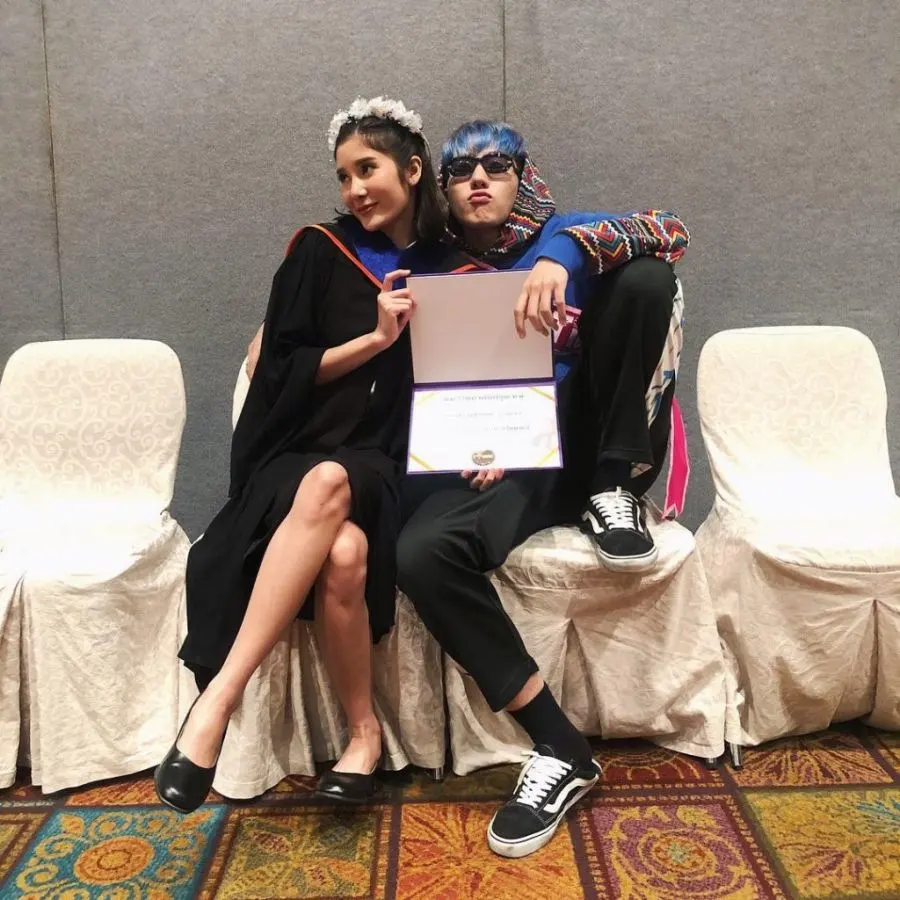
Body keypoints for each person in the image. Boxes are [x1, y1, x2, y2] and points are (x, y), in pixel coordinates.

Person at [154, 97, 474, 814]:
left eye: (368, 169)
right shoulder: (318, 251)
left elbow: (470, 385)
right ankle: (363, 736)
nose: (354, 188)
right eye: (343, 176)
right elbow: (275, 369)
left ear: (412, 170)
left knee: (335, 483)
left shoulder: (452, 274)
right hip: (293, 453)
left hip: (382, 464)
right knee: (344, 554)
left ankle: (215, 703)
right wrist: (375, 341)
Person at [395, 120, 689, 858]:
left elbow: (670, 231)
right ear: (444, 189)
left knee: (646, 278)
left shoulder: (569, 234)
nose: (478, 180)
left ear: (523, 177)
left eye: (496, 166)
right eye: (461, 171)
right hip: (506, 462)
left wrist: (562, 256)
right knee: (422, 552)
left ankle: (613, 491)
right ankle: (560, 747)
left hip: (587, 448)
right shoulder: (431, 268)